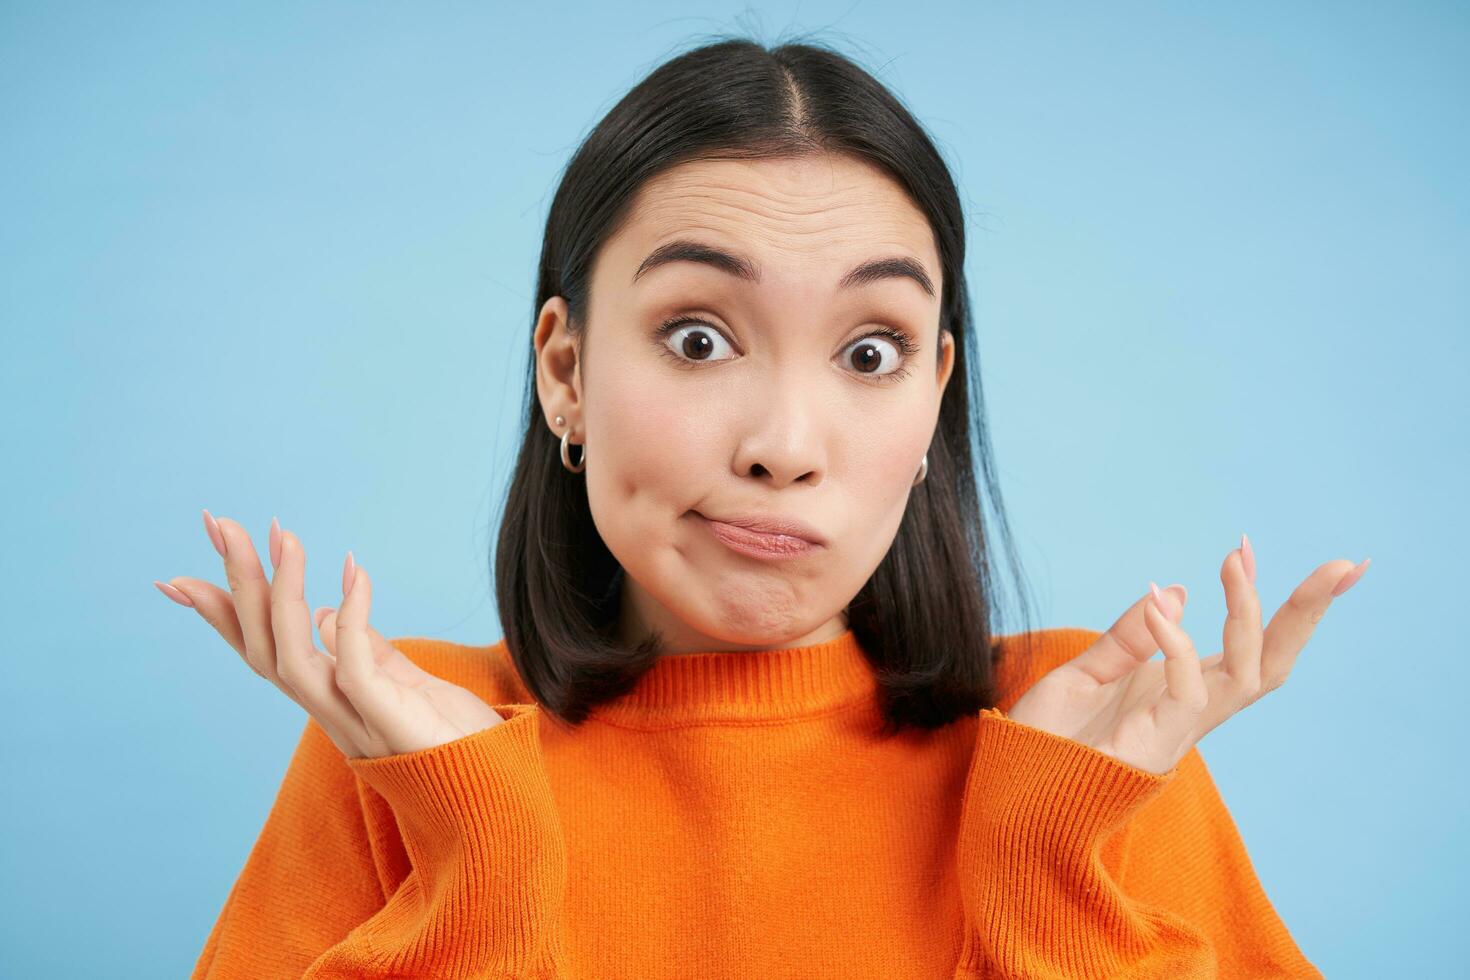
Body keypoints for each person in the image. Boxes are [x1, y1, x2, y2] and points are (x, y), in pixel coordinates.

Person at [157, 35, 1366, 979]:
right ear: (566, 370)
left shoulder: (1086, 746)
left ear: (937, 400)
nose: (786, 446)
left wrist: (1046, 877)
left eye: (873, 352)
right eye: (698, 336)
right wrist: (477, 866)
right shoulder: (411, 744)